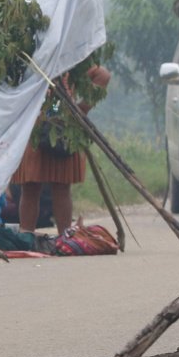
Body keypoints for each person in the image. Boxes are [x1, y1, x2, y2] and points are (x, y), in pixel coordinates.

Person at [15, 63, 112, 236]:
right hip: (35, 123)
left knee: (55, 186)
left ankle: (60, 236)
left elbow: (102, 76)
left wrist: (80, 110)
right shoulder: (32, 56)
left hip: (57, 126)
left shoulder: (72, 59)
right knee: (33, 186)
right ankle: (29, 237)